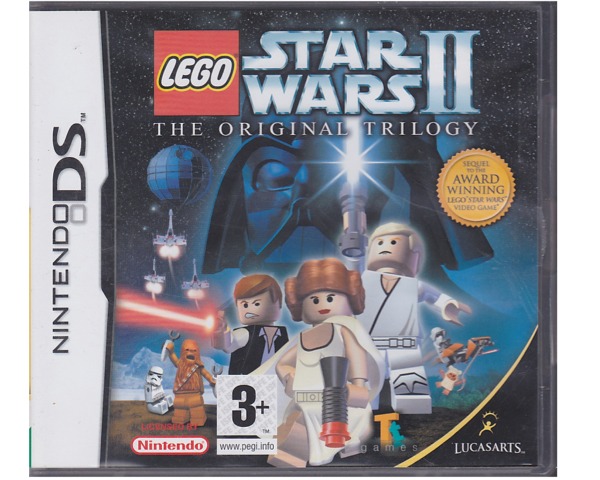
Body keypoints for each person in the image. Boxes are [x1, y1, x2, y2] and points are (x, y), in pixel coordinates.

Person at [267, 258, 384, 468]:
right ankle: (293, 452)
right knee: (300, 418)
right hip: (306, 397)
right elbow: (282, 364)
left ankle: (310, 450)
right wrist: (288, 375)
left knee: (316, 420)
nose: (322, 304)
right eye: (314, 300)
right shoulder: (303, 338)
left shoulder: (344, 330)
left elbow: (356, 355)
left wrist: (358, 385)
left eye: (330, 297)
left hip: (340, 399)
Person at [357, 223, 471, 414]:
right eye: (380, 243)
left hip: (404, 343)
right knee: (366, 382)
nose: (385, 247)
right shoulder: (363, 280)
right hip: (370, 343)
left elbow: (436, 298)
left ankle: (412, 413)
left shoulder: (414, 286)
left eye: (394, 242)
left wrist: (448, 306)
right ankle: (363, 412)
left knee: (409, 382)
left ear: (414, 256)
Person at [213, 274, 288, 374]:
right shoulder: (245, 333)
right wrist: (221, 332)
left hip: (275, 380)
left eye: (257, 303)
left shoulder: (282, 334)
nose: (249, 310)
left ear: (278, 303)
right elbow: (228, 346)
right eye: (245, 305)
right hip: (248, 380)